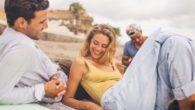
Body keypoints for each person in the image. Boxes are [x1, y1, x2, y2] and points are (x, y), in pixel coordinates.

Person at [63, 24, 195, 110]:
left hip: (136, 98)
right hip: (114, 101)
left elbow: (127, 82)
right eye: (95, 43)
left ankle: (187, 101)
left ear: (109, 47)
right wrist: (89, 106)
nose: (98, 49)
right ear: (89, 42)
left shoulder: (112, 62)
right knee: (160, 37)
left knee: (175, 44)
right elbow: (67, 99)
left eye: (104, 46)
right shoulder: (81, 62)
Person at [0, 0, 71, 109]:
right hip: (66, 80)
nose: (46, 26)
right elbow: (1, 95)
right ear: (21, 22)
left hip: (58, 70)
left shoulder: (11, 34)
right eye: (42, 22)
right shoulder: (22, 48)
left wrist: (54, 75)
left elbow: (41, 57)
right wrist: (43, 90)